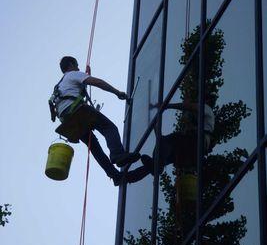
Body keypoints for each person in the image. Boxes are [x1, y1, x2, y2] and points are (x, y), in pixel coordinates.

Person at [49, 56, 140, 185]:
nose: (78, 68)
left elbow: (53, 113)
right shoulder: (73, 75)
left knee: (94, 147)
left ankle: (114, 175)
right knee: (109, 128)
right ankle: (117, 154)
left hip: (68, 120)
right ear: (70, 65)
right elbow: (98, 83)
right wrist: (117, 92)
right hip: (77, 111)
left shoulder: (58, 86)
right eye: (76, 65)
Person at [127, 98, 215, 183]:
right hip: (192, 147)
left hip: (196, 142)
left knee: (167, 143)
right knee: (160, 156)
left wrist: (166, 106)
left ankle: (157, 165)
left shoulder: (207, 108)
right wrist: (154, 124)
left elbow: (188, 106)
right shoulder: (196, 123)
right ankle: (127, 178)